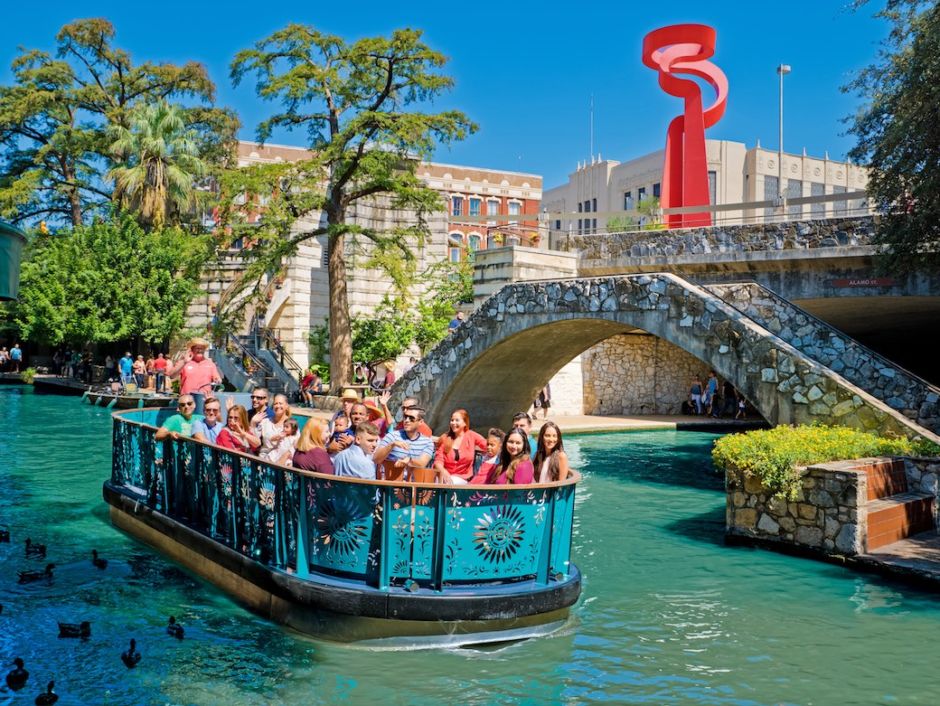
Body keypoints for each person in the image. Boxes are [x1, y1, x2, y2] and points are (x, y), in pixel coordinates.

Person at [372, 406, 434, 480]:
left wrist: (409, 460)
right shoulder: (392, 436)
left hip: (413, 486)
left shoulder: (427, 442)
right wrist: (391, 445)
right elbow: (376, 459)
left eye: (411, 418)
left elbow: (422, 463)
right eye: (405, 417)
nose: (406, 420)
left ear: (420, 422)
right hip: (391, 484)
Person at [167, 337, 222, 415]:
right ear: (192, 350)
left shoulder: (210, 364)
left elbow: (218, 379)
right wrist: (184, 362)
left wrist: (217, 380)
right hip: (187, 403)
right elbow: (171, 375)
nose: (200, 350)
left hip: (204, 402)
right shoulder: (184, 362)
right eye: (197, 348)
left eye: (202, 348)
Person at [435, 409, 487, 484]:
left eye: (457, 420)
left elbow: (486, 445)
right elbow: (438, 461)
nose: (453, 423)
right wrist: (444, 472)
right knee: (440, 483)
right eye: (452, 420)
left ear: (465, 423)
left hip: (462, 477)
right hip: (444, 475)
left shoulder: (471, 435)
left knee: (452, 482)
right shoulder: (445, 438)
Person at [258, 393, 292, 460]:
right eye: (275, 403)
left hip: (283, 462)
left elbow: (294, 446)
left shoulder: (292, 424)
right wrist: (253, 423)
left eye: (280, 403)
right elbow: (255, 439)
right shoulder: (265, 422)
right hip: (264, 460)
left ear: (286, 406)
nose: (277, 406)